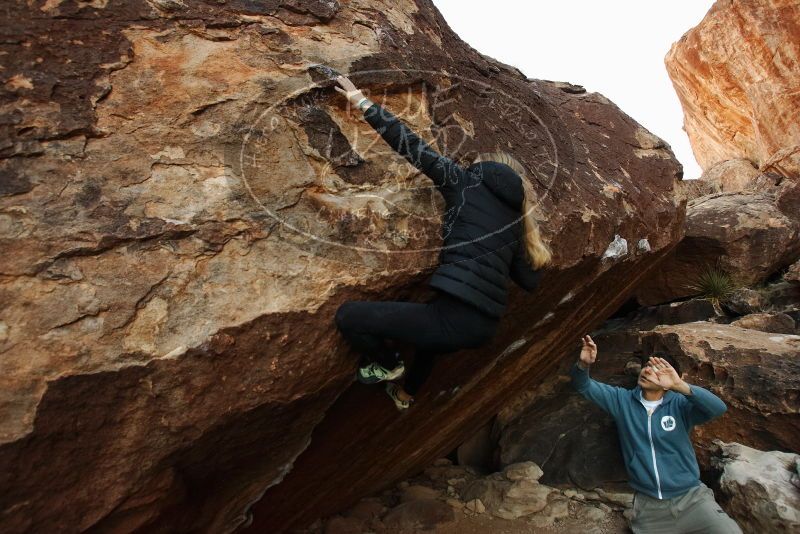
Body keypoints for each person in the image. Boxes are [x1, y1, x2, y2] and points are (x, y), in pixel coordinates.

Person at [332, 74, 551, 410]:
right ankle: (406, 396)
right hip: (481, 328)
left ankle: (389, 365)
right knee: (432, 340)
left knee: (349, 316)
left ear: (483, 167)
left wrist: (362, 101)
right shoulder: (514, 222)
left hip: (454, 319)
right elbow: (531, 281)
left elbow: (413, 146)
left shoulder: (465, 183)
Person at [571, 335, 742, 533]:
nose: (647, 371)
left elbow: (718, 408)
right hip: (649, 506)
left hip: (692, 499)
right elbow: (583, 385)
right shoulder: (621, 401)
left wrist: (680, 387)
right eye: (647, 366)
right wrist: (583, 365)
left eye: (656, 370)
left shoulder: (680, 406)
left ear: (668, 380)